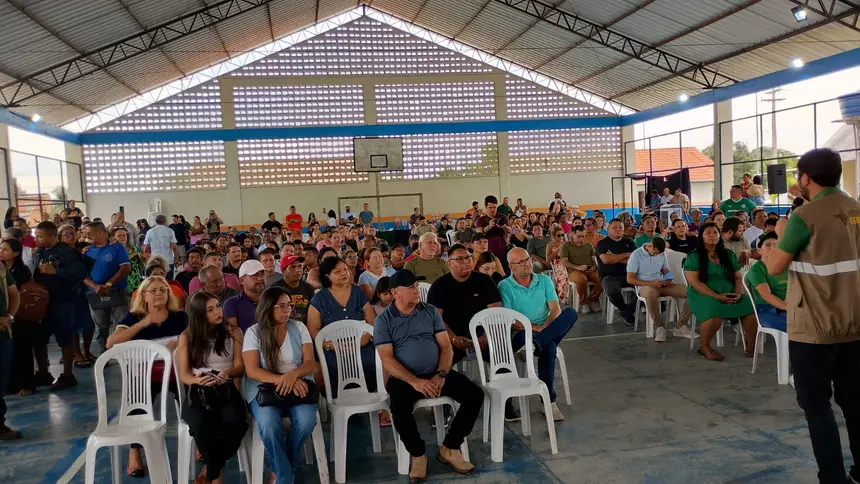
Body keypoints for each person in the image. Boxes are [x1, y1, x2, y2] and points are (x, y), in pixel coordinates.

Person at [763, 148, 860, 484]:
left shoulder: (804, 217)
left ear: (805, 178)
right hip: (856, 323)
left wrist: (777, 237)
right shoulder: (856, 209)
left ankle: (833, 477)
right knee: (855, 400)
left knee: (818, 406)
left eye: (798, 177)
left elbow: (775, 266)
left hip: (815, 327)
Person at [374, 269, 483, 481]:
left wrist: (442, 374)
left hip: (436, 373)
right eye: (410, 288)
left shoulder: (430, 311)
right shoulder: (384, 320)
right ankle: (418, 454)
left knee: (474, 395)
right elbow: (387, 359)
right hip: (405, 378)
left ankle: (450, 447)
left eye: (417, 286)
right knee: (398, 407)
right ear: (396, 292)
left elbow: (445, 347)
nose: (416, 291)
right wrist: (415, 382)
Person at [107, 275, 187, 476]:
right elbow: (111, 343)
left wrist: (182, 342)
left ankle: (196, 438)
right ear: (144, 295)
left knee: (194, 397)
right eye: (154, 291)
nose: (159, 293)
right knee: (137, 401)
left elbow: (195, 337)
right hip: (145, 375)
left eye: (163, 290)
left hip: (175, 373)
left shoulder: (179, 317)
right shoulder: (133, 317)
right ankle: (135, 452)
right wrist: (143, 324)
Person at [242, 286, 318, 484]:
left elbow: (310, 363)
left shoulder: (299, 328)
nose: (288, 310)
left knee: (306, 421)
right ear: (268, 308)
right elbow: (252, 371)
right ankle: (286, 476)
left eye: (289, 306)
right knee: (268, 424)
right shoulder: (254, 332)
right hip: (264, 389)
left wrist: (293, 375)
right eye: (282, 306)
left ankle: (281, 466)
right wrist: (283, 380)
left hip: (298, 383)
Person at [176, 291, 247, 484]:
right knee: (201, 425)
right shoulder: (187, 336)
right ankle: (214, 475)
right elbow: (184, 374)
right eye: (210, 309)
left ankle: (209, 474)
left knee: (237, 424)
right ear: (199, 314)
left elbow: (240, 367)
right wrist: (198, 380)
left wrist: (227, 374)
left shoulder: (234, 331)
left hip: (225, 387)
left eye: (217, 306)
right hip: (200, 389)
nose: (218, 312)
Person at [499, 248, 577, 421]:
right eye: (521, 262)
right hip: (521, 333)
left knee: (570, 313)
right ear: (511, 266)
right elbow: (510, 319)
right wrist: (533, 328)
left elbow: (555, 308)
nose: (527, 263)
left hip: (545, 329)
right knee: (549, 348)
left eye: (527, 259)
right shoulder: (505, 286)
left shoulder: (543, 280)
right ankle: (549, 402)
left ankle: (536, 345)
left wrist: (545, 327)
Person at [682, 222, 757, 361]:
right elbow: (694, 282)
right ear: (701, 236)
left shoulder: (727, 254)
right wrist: (717, 296)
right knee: (714, 312)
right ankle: (704, 347)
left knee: (750, 308)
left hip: (727, 292)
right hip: (702, 294)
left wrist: (738, 294)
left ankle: (751, 344)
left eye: (715, 233)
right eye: (708, 233)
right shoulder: (694, 256)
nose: (712, 236)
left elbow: (738, 277)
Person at [307, 257, 376, 398]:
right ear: (328, 276)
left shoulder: (358, 293)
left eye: (345, 270)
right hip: (331, 348)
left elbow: (371, 320)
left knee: (372, 363)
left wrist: (363, 341)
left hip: (361, 345)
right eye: (337, 272)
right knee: (333, 368)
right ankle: (340, 404)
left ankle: (367, 400)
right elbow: (313, 329)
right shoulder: (319, 299)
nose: (344, 273)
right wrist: (329, 345)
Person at [33, 221, 89, 390]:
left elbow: (81, 273)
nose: (37, 239)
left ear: (52, 236)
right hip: (44, 302)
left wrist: (55, 271)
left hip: (63, 301)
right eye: (36, 236)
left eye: (40, 236)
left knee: (64, 337)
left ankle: (67, 375)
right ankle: (44, 373)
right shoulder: (41, 252)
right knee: (39, 338)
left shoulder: (67, 252)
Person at [626, 237, 693, 342]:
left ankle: (680, 326)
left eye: (658, 254)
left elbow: (666, 271)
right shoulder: (636, 255)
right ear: (649, 246)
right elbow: (630, 279)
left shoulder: (661, 253)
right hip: (645, 285)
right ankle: (660, 327)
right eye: (654, 253)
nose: (657, 255)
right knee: (651, 293)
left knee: (692, 291)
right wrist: (650, 283)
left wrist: (668, 279)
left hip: (660, 283)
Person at [83, 222, 131, 354]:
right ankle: (104, 352)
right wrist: (95, 286)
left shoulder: (117, 247)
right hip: (95, 294)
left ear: (100, 232)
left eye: (89, 233)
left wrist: (109, 284)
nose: (86, 236)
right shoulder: (87, 251)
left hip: (117, 292)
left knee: (122, 323)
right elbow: (82, 274)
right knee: (101, 325)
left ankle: (124, 352)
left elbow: (126, 268)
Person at [3, 238, 42, 398]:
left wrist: (11, 313)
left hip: (21, 316)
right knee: (9, 352)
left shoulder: (20, 271)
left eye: (5, 250)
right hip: (6, 318)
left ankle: (27, 384)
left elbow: (20, 296)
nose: (1, 252)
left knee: (23, 351)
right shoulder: (2, 269)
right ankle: (11, 384)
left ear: (16, 253)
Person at [595, 218, 637, 326]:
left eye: (620, 227)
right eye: (614, 227)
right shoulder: (602, 244)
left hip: (629, 275)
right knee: (611, 288)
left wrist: (614, 257)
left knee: (646, 287)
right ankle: (624, 309)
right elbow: (606, 260)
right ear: (608, 229)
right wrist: (626, 255)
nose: (618, 229)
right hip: (609, 276)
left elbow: (635, 260)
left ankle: (628, 311)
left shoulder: (629, 242)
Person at [745, 232, 787, 332]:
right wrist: (788, 307)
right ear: (759, 250)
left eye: (776, 245)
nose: (773, 248)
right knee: (799, 327)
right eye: (768, 245)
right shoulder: (757, 270)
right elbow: (766, 295)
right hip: (768, 309)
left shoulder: (785, 265)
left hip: (791, 305)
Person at [0, 240, 21, 439]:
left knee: (2, 379)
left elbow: (14, 294)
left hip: (3, 333)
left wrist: (10, 317)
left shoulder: (1, 268)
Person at [559, 226, 602, 313]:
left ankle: (593, 299)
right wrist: (577, 267)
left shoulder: (588, 245)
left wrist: (594, 266)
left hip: (589, 269)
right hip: (574, 271)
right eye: (579, 236)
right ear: (572, 234)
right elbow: (564, 262)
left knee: (602, 279)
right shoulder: (566, 246)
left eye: (583, 236)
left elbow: (594, 259)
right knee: (582, 280)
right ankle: (584, 302)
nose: (581, 238)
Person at [269, 255, 315, 324]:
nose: (297, 270)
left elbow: (313, 314)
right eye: (292, 267)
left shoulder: (308, 288)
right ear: (283, 271)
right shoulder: (275, 289)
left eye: (300, 266)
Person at [224, 260, 266, 333]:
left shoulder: (272, 299)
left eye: (262, 274)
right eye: (255, 275)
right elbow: (234, 335)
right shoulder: (232, 304)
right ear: (242, 280)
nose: (260, 278)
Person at [474, 195, 510, 265]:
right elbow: (479, 232)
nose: (493, 210)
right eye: (490, 207)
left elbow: (511, 231)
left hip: (503, 251)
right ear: (485, 207)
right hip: (488, 253)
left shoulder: (503, 217)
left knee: (506, 273)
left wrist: (503, 226)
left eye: (494, 207)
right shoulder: (480, 220)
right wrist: (489, 226)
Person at [143, 215, 180, 279]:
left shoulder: (150, 231)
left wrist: (147, 260)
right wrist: (176, 259)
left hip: (154, 260)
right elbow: (174, 247)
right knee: (169, 281)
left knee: (155, 280)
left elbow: (145, 248)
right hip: (168, 260)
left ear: (156, 221)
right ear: (165, 221)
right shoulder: (170, 231)